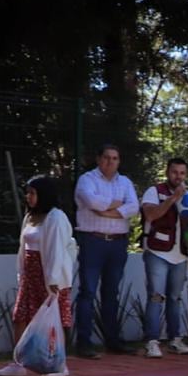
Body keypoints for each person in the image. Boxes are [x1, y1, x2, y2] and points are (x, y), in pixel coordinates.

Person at [0, 176, 76, 376]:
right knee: (20, 315)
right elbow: (23, 247)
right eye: (27, 193)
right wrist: (21, 272)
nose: (28, 197)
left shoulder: (56, 217)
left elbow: (56, 250)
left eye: (32, 193)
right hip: (30, 274)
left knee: (53, 318)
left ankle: (59, 364)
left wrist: (54, 279)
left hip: (49, 276)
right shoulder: (30, 217)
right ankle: (18, 362)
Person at [73, 144, 138, 359]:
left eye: (115, 158)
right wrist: (117, 208)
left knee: (111, 294)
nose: (111, 162)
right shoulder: (87, 179)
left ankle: (113, 340)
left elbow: (133, 207)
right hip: (93, 241)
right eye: (107, 157)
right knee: (88, 292)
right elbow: (91, 201)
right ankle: (84, 343)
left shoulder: (125, 182)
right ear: (99, 159)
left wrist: (106, 210)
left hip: (118, 244)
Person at [139, 158, 188, 358]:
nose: (178, 177)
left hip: (180, 254)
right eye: (174, 172)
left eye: (182, 173)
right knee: (156, 296)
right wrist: (172, 199)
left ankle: (175, 339)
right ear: (167, 172)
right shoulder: (154, 191)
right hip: (157, 252)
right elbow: (151, 215)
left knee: (175, 298)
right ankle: (152, 341)